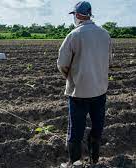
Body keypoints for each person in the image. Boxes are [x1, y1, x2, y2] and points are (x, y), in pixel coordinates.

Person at [57, 1, 112, 167]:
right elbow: (109, 60)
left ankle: (74, 162)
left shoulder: (74, 35)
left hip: (79, 92)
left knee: (75, 130)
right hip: (100, 91)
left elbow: (62, 64)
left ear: (78, 15)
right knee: (97, 127)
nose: (74, 18)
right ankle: (94, 160)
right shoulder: (105, 34)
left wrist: (70, 77)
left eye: (74, 15)